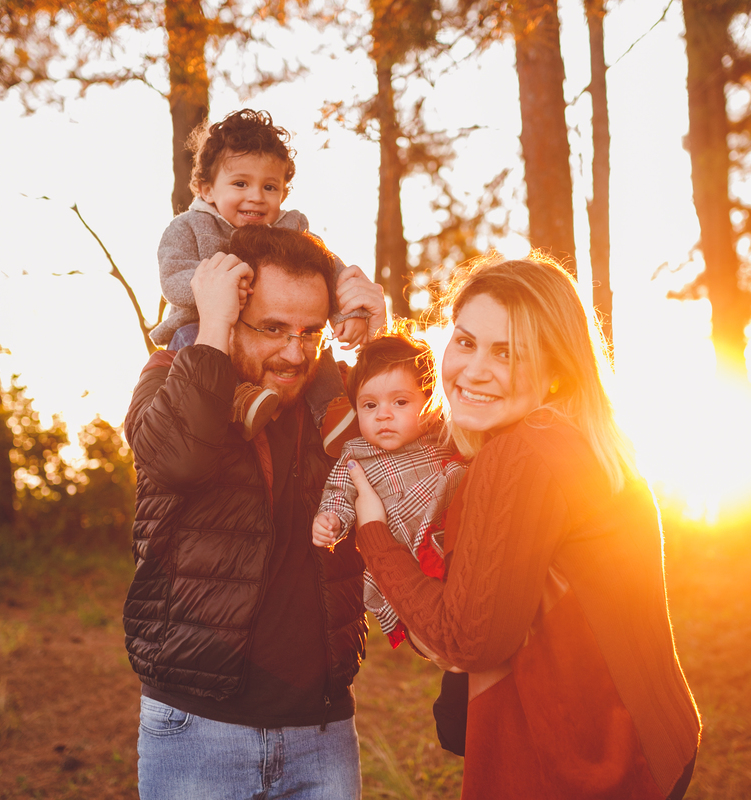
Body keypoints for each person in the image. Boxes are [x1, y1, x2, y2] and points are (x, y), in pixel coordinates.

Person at [349, 254, 702, 799]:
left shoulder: (520, 455)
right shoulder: (579, 438)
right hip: (651, 737)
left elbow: (464, 642)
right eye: (465, 341)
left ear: (557, 368)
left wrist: (373, 533)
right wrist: (378, 341)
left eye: (508, 352)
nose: (472, 370)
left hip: (582, 765)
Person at [123, 224, 385, 800]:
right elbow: (180, 460)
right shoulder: (169, 378)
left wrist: (376, 346)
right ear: (231, 309)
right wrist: (211, 327)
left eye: (310, 332)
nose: (295, 353)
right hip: (198, 729)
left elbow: (413, 472)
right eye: (272, 329)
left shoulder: (334, 404)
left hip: (322, 730)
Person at [151, 108, 367, 454]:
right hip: (200, 321)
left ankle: (331, 412)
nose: (256, 196)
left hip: (273, 340)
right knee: (190, 339)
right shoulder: (189, 228)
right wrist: (214, 290)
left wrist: (347, 312)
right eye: (241, 183)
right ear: (207, 189)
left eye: (270, 186)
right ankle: (238, 401)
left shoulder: (291, 228)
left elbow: (330, 270)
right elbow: (173, 276)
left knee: (309, 344)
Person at [311, 328, 467, 644]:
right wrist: (330, 519)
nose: (383, 415)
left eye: (399, 402)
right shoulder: (356, 452)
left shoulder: (444, 437)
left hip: (450, 547)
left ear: (431, 402)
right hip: (402, 558)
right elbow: (339, 492)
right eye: (369, 405)